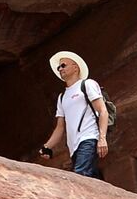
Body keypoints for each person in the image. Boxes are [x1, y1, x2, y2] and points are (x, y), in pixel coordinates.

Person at [36, 50, 108, 178]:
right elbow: (60, 127)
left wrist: (102, 138)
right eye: (59, 67)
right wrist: (47, 146)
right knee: (90, 178)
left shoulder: (87, 84)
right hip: (73, 146)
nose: (60, 69)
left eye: (63, 65)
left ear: (75, 68)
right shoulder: (62, 97)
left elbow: (102, 111)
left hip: (89, 138)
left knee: (80, 175)